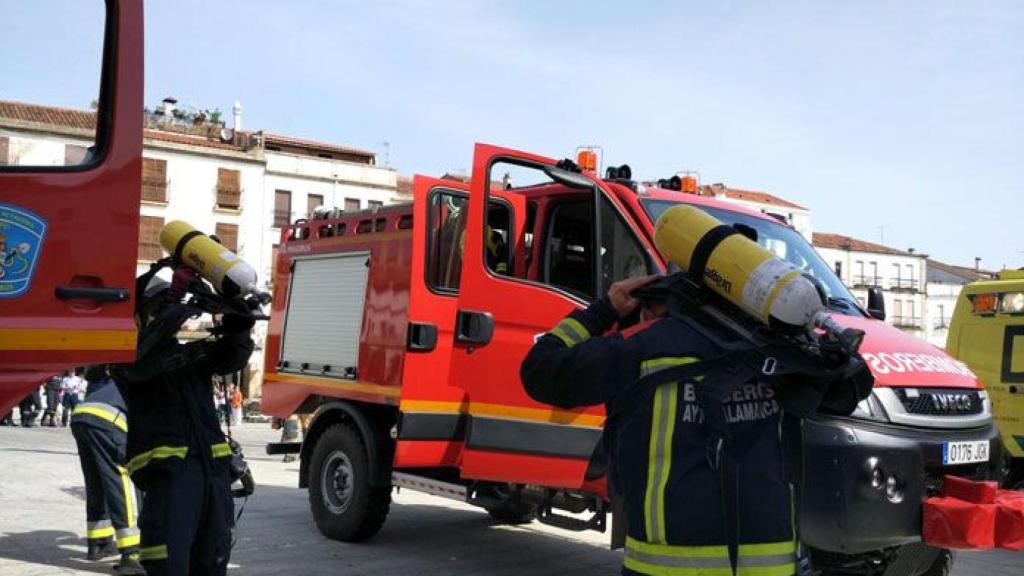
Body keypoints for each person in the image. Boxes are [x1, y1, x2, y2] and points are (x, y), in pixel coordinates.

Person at [521, 275, 867, 576]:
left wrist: (605, 309)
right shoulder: (781, 356)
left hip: (663, 567)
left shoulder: (641, 348)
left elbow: (541, 370)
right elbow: (851, 386)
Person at [111, 274, 254, 576]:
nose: (167, 311)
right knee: (168, 562)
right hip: (172, 476)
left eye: (168, 303)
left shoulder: (188, 353)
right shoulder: (126, 356)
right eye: (159, 305)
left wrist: (238, 326)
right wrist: (175, 304)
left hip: (213, 473)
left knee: (214, 557)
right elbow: (141, 360)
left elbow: (230, 358)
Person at [70, 364, 144, 575]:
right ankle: (132, 552)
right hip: (108, 421)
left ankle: (98, 543)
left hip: (81, 416)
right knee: (120, 479)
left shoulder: (110, 377)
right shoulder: (146, 377)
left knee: (96, 481)